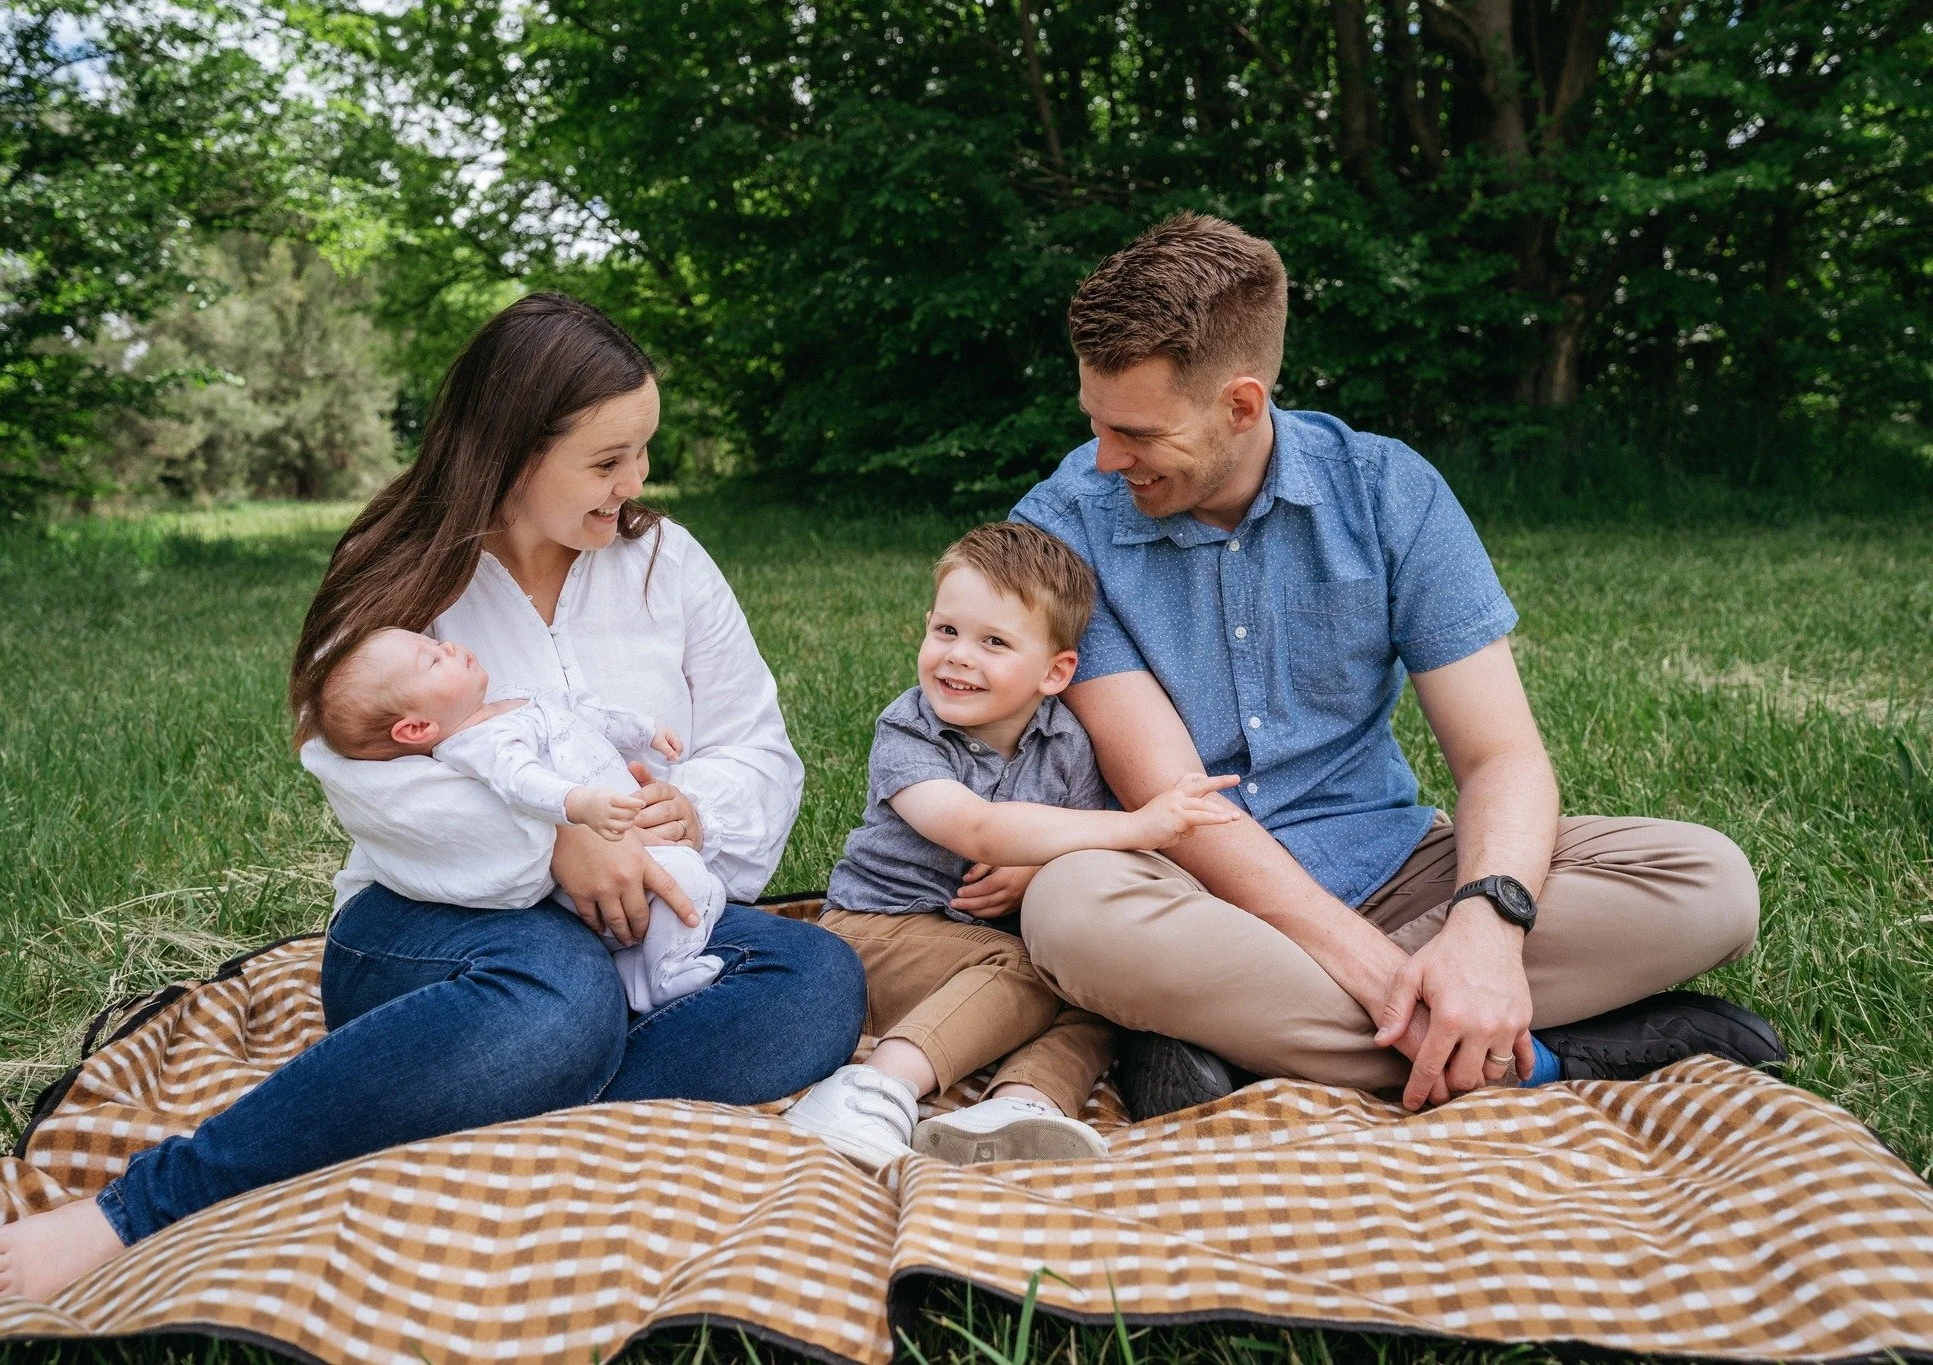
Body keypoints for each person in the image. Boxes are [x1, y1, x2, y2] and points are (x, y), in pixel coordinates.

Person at [0, 292, 865, 1300]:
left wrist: (690, 810)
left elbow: (754, 745)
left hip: (639, 934)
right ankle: (144, 1206)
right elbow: (361, 782)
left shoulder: (666, 562)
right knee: (559, 1002)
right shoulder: (399, 574)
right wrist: (553, 844)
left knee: (816, 979)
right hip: (436, 929)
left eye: (643, 451)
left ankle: (473, 1109)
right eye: (608, 460)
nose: (636, 482)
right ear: (512, 451)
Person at [1012, 214, 1784, 1121]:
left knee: (1709, 882)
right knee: (1070, 910)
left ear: (1242, 405)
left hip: (1397, 867)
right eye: (1096, 422)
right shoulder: (1060, 526)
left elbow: (1500, 757)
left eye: (1137, 432)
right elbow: (1176, 803)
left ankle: (1237, 1038)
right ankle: (1536, 1054)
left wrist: (1487, 929)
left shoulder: (1387, 490)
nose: (1107, 457)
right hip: (1189, 888)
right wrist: (1386, 976)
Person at [785, 523, 1243, 1168]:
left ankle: (1022, 1108)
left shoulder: (1068, 741)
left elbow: (1072, 838)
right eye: (946, 631)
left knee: (1093, 992)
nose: (958, 656)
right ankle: (872, 1090)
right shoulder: (910, 732)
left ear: (1055, 672)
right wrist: (1138, 827)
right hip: (879, 932)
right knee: (1029, 973)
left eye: (993, 642)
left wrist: (1034, 874)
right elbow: (974, 828)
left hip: (980, 946)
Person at [310, 626, 725, 1012]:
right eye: (433, 660)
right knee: (690, 882)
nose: (448, 646)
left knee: (711, 897)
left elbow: (584, 711)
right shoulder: (480, 744)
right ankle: (666, 972)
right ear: (417, 728)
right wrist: (576, 805)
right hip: (598, 862)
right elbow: (523, 783)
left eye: (435, 643)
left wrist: (644, 730)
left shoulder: (511, 699)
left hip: (626, 838)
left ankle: (636, 974)